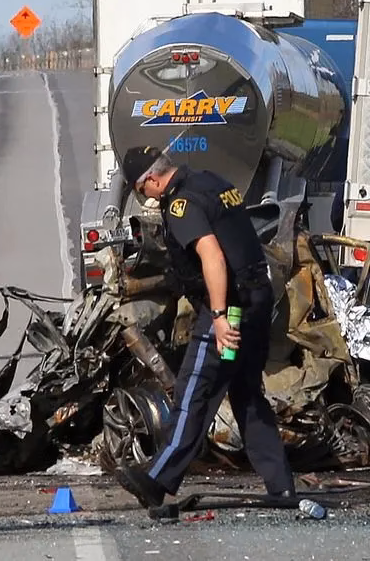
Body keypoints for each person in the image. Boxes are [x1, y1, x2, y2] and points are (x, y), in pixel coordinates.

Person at [112, 145, 297, 509]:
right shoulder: (211, 181)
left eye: (139, 190)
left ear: (151, 179)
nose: (143, 197)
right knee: (247, 394)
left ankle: (158, 481)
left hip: (227, 310)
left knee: (193, 392)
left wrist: (218, 316)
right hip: (257, 300)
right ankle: (282, 487)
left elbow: (212, 255)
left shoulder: (181, 204)